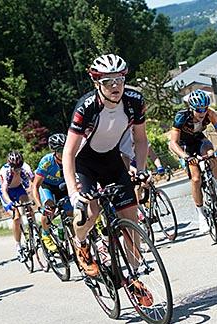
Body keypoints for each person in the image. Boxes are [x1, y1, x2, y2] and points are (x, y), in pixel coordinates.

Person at [62, 53, 149, 289]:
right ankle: (81, 244)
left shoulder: (135, 101)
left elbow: (141, 140)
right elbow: (68, 153)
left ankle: (134, 277)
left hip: (111, 159)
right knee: (90, 213)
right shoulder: (86, 107)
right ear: (97, 83)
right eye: (108, 81)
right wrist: (73, 193)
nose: (115, 86)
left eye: (119, 80)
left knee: (131, 217)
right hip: (85, 163)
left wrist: (140, 169)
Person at [169, 89, 217, 235]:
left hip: (199, 139)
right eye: (199, 110)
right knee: (196, 178)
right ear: (192, 108)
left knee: (211, 155)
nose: (202, 112)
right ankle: (201, 215)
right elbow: (173, 143)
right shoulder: (181, 117)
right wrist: (186, 157)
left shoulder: (211, 114)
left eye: (205, 108)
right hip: (184, 146)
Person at [32, 133, 73, 252]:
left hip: (62, 186)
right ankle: (45, 234)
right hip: (47, 186)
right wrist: (40, 206)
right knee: (49, 208)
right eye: (60, 150)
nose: (64, 152)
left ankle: (75, 243)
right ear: (54, 151)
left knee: (70, 213)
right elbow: (35, 186)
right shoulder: (47, 162)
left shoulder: (71, 157)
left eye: (65, 148)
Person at [0, 151, 34, 262]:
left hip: (18, 189)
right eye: (14, 167)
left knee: (29, 207)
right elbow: (4, 190)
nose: (17, 169)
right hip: (6, 191)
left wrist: (34, 195)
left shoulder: (25, 167)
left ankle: (33, 231)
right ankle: (18, 245)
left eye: (19, 166)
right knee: (16, 217)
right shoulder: (5, 171)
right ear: (10, 165)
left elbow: (33, 181)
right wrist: (10, 203)